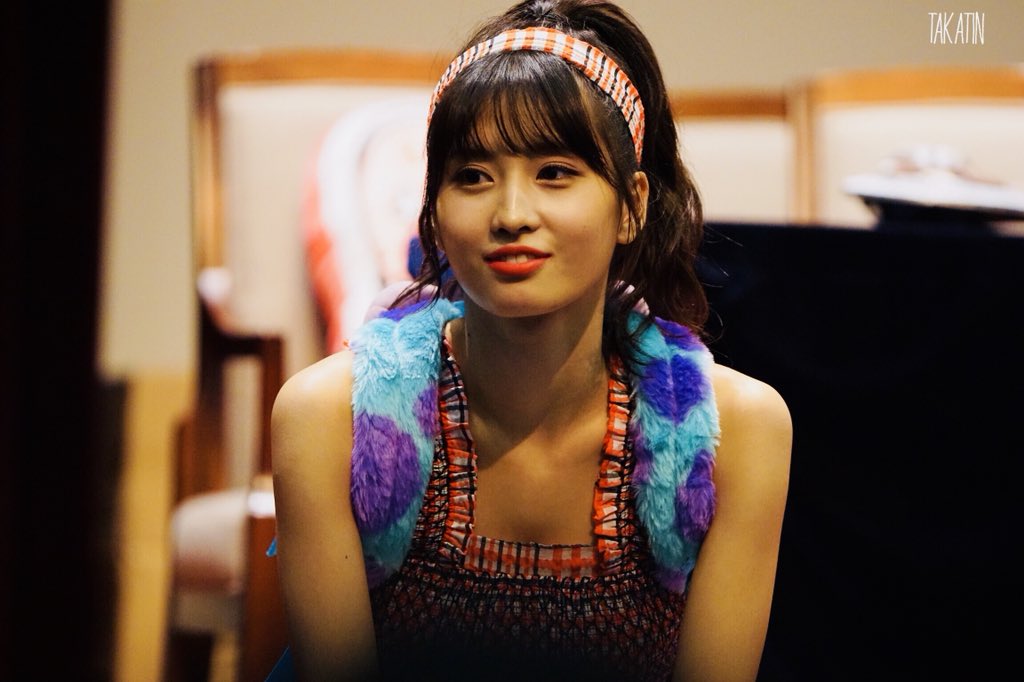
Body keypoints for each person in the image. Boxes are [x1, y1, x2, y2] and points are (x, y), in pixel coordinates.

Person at [271, 1, 792, 680]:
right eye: (473, 177)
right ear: (434, 210)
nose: (512, 214)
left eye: (555, 172)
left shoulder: (737, 431)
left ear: (632, 204)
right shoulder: (329, 419)